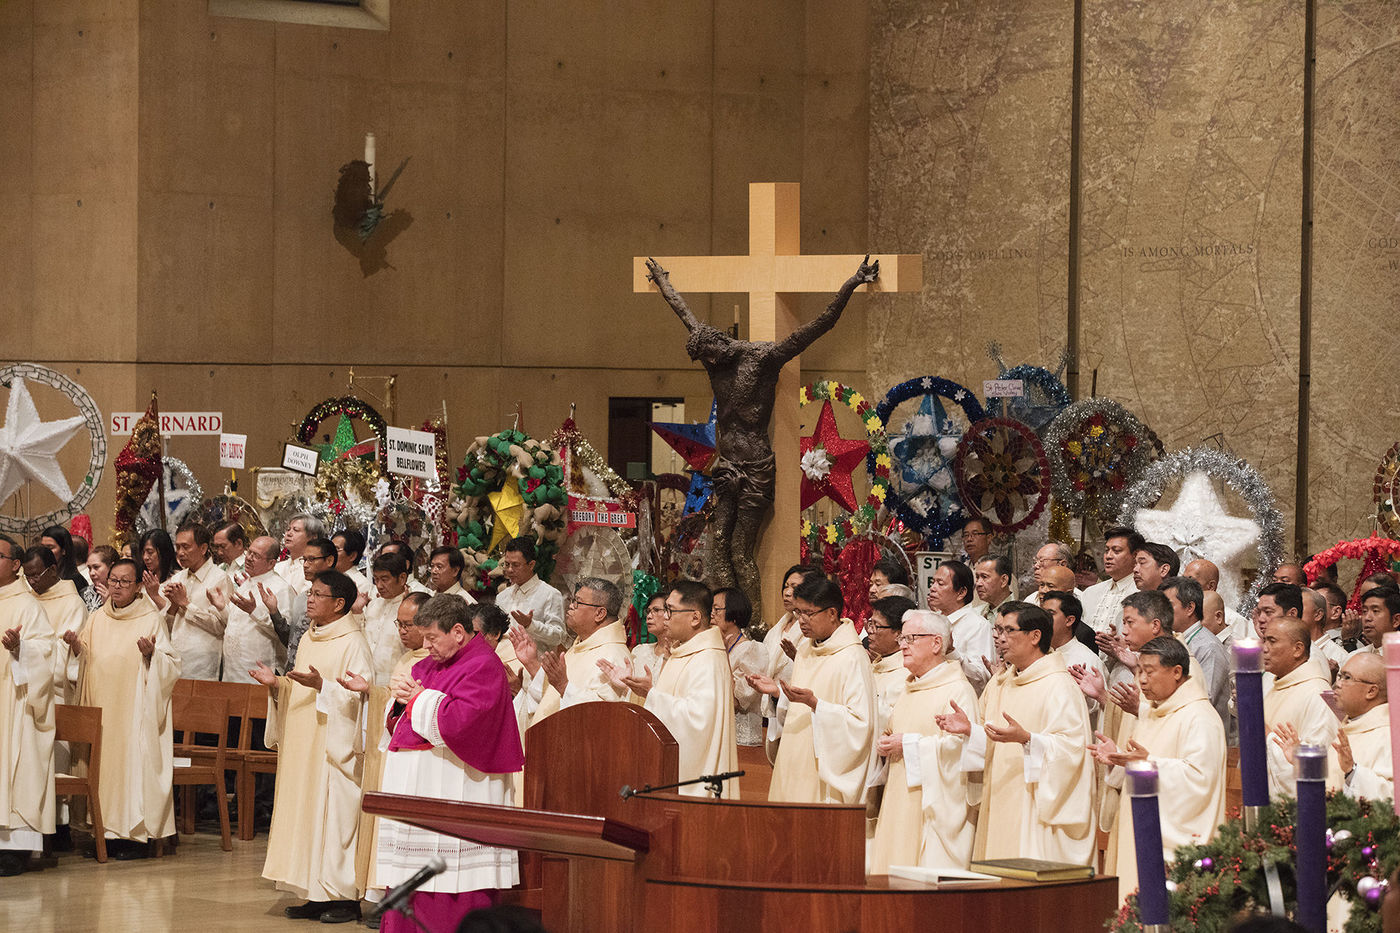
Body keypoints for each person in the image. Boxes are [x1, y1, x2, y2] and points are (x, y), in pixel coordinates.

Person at [645, 254, 878, 619]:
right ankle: (723, 617)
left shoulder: (763, 358)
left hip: (755, 466)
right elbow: (683, 313)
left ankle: (751, 622)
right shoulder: (712, 358)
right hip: (727, 464)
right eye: (703, 359)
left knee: (740, 549)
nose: (709, 363)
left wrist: (851, 283)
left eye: (710, 355)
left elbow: (818, 327)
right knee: (717, 542)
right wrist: (663, 283)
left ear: (720, 342)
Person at [373, 594, 524, 932]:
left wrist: (418, 699)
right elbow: (405, 719)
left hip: (461, 785)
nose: (425, 646)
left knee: (452, 886)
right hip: (419, 791)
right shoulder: (427, 664)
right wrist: (399, 704)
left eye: (431, 638)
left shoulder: (484, 666)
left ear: (458, 631)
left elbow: (462, 723)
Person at [252, 569, 374, 924]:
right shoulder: (310, 636)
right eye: (310, 592)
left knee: (334, 818)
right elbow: (299, 687)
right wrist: (277, 684)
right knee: (305, 815)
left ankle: (343, 898)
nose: (310, 599)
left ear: (339, 603)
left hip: (334, 750)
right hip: (305, 743)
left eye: (318, 594)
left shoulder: (354, 641)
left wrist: (325, 687)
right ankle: (313, 894)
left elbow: (360, 696)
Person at [950, 601, 1095, 865]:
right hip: (1000, 794)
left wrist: (1028, 740)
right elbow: (991, 735)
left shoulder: (1059, 686)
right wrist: (972, 730)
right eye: (997, 631)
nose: (999, 639)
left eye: (1008, 631)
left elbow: (1074, 750)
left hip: (1034, 806)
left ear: (1035, 636)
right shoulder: (1000, 682)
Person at [1089, 636, 1226, 901]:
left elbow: (1200, 780)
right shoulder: (1153, 711)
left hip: (1173, 844)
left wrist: (1146, 764)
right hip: (1141, 830)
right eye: (1139, 671)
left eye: (1149, 672)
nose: (1141, 680)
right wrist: (1120, 760)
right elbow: (1142, 759)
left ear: (1177, 672)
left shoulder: (1200, 717)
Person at [66, 558, 179, 859]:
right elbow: (85, 660)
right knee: (103, 770)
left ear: (139, 585)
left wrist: (152, 655)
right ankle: (106, 834)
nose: (116, 586)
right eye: (113, 580)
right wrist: (77, 648)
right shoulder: (98, 618)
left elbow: (171, 665)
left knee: (130, 770)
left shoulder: (149, 618)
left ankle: (133, 838)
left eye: (124, 581)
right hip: (102, 710)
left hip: (133, 712)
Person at [867, 610, 979, 874]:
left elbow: (961, 753)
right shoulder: (909, 687)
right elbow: (896, 733)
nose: (902, 645)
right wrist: (887, 743)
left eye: (911, 638)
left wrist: (908, 744)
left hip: (933, 811)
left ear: (937, 643)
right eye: (902, 638)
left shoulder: (957, 690)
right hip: (899, 801)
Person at [604, 581, 740, 798]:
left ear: (695, 618)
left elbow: (698, 721)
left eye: (670, 610)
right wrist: (643, 692)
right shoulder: (683, 651)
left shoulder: (708, 658)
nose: (665, 617)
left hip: (695, 778)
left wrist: (652, 694)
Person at [750, 578, 876, 804]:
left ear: (832, 613)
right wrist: (779, 692)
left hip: (822, 770)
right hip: (793, 758)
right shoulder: (807, 649)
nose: (801, 621)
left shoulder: (852, 657)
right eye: (798, 613)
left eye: (809, 613)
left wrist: (817, 705)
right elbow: (799, 706)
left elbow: (861, 723)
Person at [348, 590, 431, 901]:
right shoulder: (407, 657)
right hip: (390, 750)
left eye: (409, 624)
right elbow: (394, 699)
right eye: (399, 624)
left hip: (415, 757)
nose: (402, 631)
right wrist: (372, 690)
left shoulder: (435, 662)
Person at [0, 536, 56, 876]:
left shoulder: (28, 605)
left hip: (16, 703)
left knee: (15, 767)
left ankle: (14, 848)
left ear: (16, 563)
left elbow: (47, 653)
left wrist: (21, 648)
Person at [511, 577, 631, 724]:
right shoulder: (581, 646)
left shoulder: (614, 655)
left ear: (600, 614)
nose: (571, 606)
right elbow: (551, 699)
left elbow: (605, 716)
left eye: (577, 602)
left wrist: (564, 686)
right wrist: (532, 663)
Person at [1262, 607, 1338, 798]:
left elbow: (1321, 765)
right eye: (1264, 640)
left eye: (1272, 641)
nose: (1264, 648)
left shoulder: (1321, 695)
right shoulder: (1276, 685)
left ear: (1297, 649)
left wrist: (1266, 737)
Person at [161, 520, 233, 680]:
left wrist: (185, 604)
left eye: (186, 547)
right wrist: (172, 606)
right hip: (175, 659)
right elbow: (168, 626)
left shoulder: (219, 578)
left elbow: (220, 627)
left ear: (203, 548)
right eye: (178, 547)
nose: (180, 552)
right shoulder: (178, 577)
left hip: (203, 665)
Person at [213, 536, 290, 683]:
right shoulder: (245, 584)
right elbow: (235, 623)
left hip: (260, 670)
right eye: (249, 552)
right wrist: (221, 607)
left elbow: (284, 634)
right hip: (233, 669)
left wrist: (254, 611)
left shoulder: (281, 588)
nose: (249, 558)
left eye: (256, 556)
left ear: (271, 563)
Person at [1162, 576, 1232, 735]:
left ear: (1189, 608)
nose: (1162, 612)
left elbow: (1204, 699)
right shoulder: (1174, 639)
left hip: (1203, 735)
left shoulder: (1208, 647)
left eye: (1168, 605)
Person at [22, 545, 85, 702]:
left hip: (54, 694)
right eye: (27, 577)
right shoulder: (26, 601)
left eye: (36, 576)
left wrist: (27, 652)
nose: (31, 582)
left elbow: (66, 655)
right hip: (22, 687)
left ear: (52, 570)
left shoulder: (72, 603)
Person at [264, 536, 337, 669]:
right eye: (304, 559)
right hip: (293, 672)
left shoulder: (336, 598)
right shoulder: (302, 598)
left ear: (329, 560)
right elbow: (291, 641)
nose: (305, 565)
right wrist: (274, 612)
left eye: (312, 560)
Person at [1327, 653, 1392, 800]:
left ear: (1371, 691)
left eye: (1347, 677)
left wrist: (1353, 771)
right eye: (1339, 676)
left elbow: (1391, 798)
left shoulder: (1389, 735)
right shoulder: (1350, 724)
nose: (1338, 684)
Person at [711, 586, 768, 749]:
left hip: (742, 740)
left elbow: (736, 702)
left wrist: (723, 657)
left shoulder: (751, 650)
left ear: (734, 615)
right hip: (716, 735)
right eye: (711, 609)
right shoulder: (716, 646)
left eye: (716, 609)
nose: (711, 614)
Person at [926, 560, 994, 694]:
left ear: (961, 592)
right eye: (932, 582)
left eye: (940, 584)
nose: (933, 588)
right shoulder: (933, 620)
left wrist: (952, 652)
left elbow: (982, 679)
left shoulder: (977, 625)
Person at [1042, 590, 1105, 722]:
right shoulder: (1037, 653)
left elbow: (1094, 707)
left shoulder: (1086, 659)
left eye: (1050, 614)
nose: (1042, 618)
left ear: (1069, 620)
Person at [496, 538, 566, 653]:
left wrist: (530, 625)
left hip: (535, 667)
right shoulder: (502, 596)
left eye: (515, 565)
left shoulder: (550, 595)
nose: (509, 570)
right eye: (507, 564)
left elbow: (558, 637)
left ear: (531, 565)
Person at [867, 595, 918, 733]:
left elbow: (893, 722)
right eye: (870, 624)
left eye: (876, 626)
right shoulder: (874, 664)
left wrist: (864, 693)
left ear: (899, 634)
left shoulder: (907, 674)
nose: (869, 631)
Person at [1081, 525, 1142, 638]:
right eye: (1106, 550)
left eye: (1116, 551)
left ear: (1135, 555)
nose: (1108, 556)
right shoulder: (1090, 592)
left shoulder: (1141, 594)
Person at [364, 550, 413, 686]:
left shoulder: (412, 609)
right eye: (376, 579)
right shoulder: (373, 605)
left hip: (396, 683)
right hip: (366, 680)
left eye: (384, 579)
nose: (379, 585)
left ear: (402, 578)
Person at [1183, 558, 1251, 644]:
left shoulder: (1234, 620)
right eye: (1183, 580)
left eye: (1190, 581)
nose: (1184, 587)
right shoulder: (1183, 613)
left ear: (1211, 586)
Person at [41, 525, 100, 610]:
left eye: (50, 547)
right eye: (42, 547)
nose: (45, 552)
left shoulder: (75, 580)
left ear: (64, 550)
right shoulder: (40, 576)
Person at [276, 513, 325, 596]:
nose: (288, 534)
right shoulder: (278, 567)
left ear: (313, 537)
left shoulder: (315, 569)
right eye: (288, 529)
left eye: (296, 530)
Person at [1302, 587, 1345, 680]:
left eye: (1300, 607)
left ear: (1318, 615)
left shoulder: (1339, 657)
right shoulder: (1290, 648)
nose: (1293, 613)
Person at [630, 594, 670, 686]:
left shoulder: (678, 654)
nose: (649, 616)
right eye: (648, 611)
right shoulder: (639, 651)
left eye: (656, 610)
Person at [1353, 586, 1400, 657]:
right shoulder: (1355, 656)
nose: (1367, 618)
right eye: (1364, 611)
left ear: (1395, 620)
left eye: (1375, 611)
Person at [137, 528, 177, 608]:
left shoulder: (177, 579)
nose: (145, 557)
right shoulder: (143, 579)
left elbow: (175, 616)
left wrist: (155, 595)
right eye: (143, 553)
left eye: (150, 552)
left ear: (163, 552)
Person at [332, 530, 372, 599]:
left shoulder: (362, 585)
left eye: (336, 549)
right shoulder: (328, 578)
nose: (330, 553)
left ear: (352, 556)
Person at [973, 555, 1014, 621]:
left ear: (1003, 580)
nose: (978, 583)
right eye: (977, 577)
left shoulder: (1020, 614)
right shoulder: (976, 614)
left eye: (984, 577)